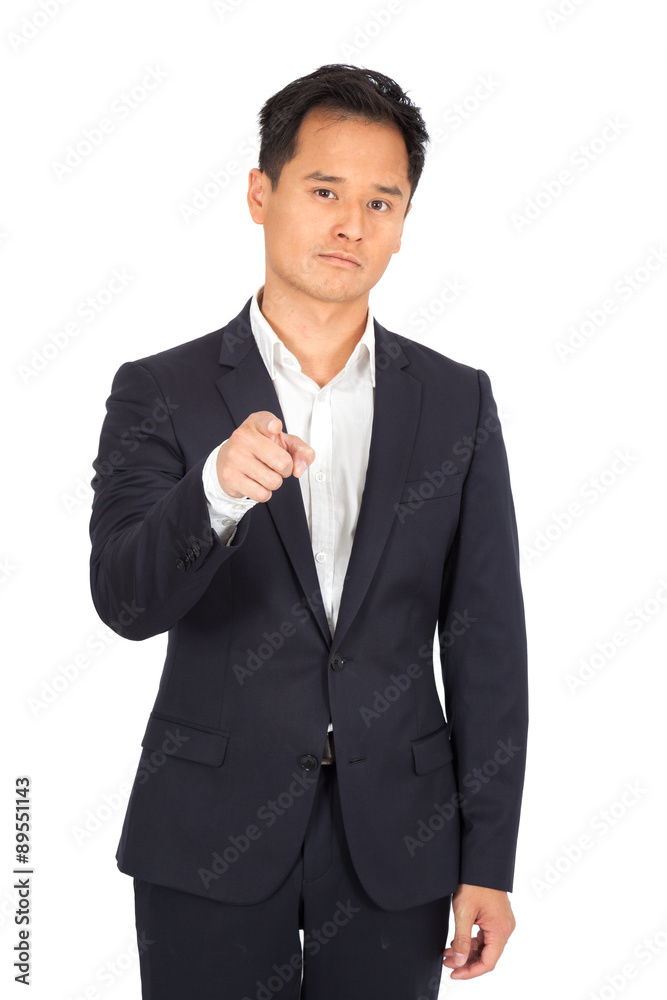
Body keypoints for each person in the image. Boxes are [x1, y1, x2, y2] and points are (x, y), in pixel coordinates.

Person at [89, 63, 528, 999]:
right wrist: (213, 493)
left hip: (400, 839)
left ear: (402, 223)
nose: (351, 225)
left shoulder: (457, 402)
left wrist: (488, 858)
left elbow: (488, 644)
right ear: (261, 193)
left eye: (380, 202)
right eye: (324, 191)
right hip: (205, 830)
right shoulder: (160, 390)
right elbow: (124, 602)